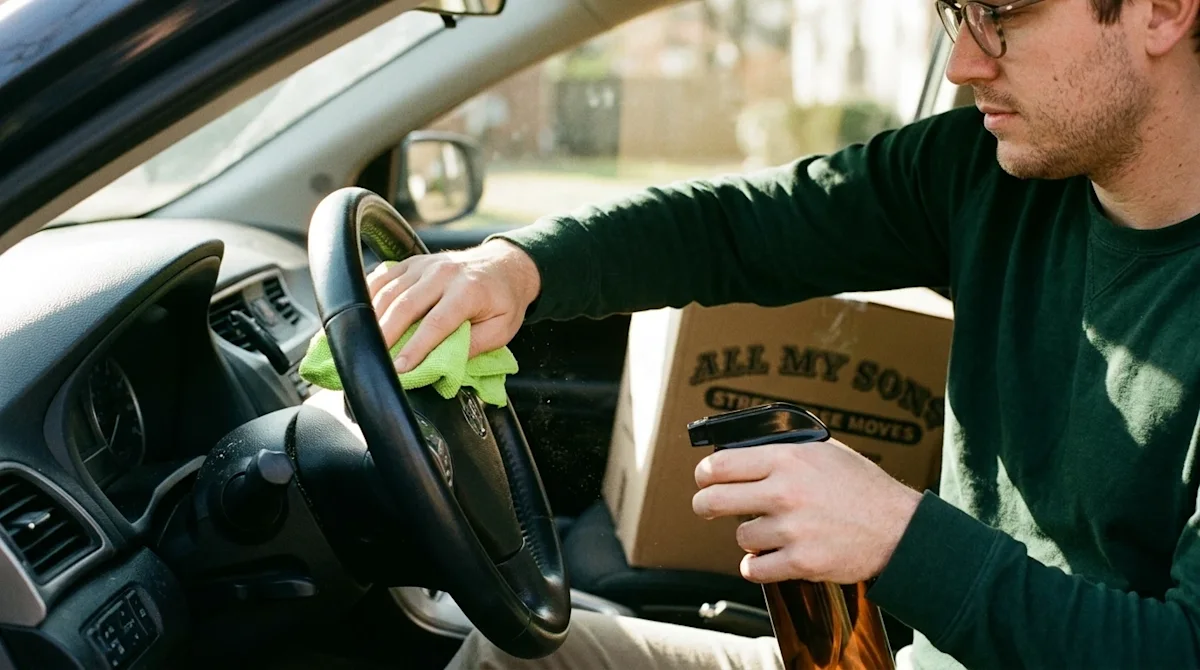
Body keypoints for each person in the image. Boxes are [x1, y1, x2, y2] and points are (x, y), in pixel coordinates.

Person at [368, 0, 1200, 665]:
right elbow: (738, 228)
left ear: (1162, 11)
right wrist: (516, 268)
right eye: (958, 14)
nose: (965, 63)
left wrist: (896, 535)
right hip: (897, 658)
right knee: (519, 655)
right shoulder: (984, 174)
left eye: (1003, 15)